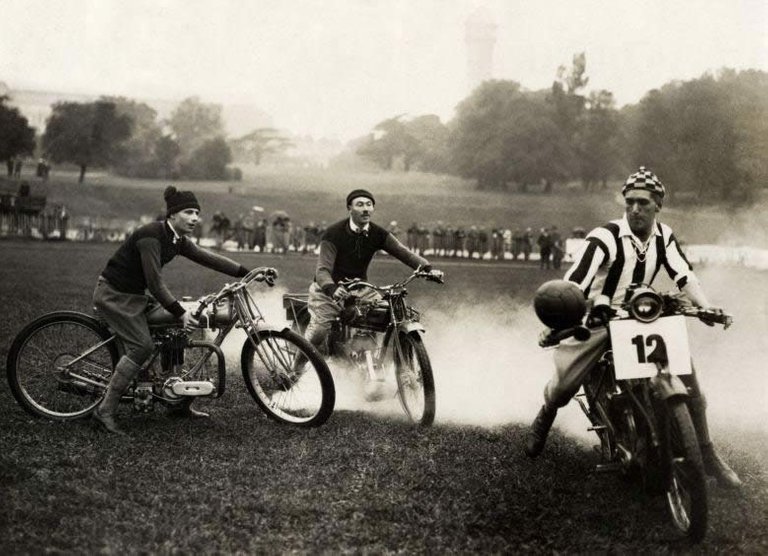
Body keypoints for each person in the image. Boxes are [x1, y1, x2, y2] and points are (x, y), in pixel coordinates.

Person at [524, 167, 742, 488]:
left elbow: (684, 276)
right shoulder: (604, 237)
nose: (635, 209)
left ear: (658, 205)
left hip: (645, 313)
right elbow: (575, 282)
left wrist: (704, 306)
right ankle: (547, 413)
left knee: (689, 379)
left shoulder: (664, 237)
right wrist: (566, 317)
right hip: (601, 314)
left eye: (643, 202)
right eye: (630, 202)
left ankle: (706, 452)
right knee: (567, 378)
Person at [91, 186, 252, 435]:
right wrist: (180, 311)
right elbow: (155, 284)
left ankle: (177, 403)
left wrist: (247, 272)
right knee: (142, 346)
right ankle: (105, 411)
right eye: (189, 212)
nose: (195, 218)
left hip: (136, 297)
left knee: (178, 329)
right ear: (173, 215)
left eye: (197, 213)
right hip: (114, 296)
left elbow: (207, 257)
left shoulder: (176, 239)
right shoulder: (151, 236)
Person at [304, 189, 443, 356]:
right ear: (350, 208)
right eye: (360, 204)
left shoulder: (378, 233)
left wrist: (427, 269)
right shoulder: (334, 233)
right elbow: (323, 270)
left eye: (369, 205)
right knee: (319, 331)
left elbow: (403, 252)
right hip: (328, 290)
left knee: (392, 315)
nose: (365, 209)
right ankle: (295, 370)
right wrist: (332, 289)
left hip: (361, 288)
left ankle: (392, 363)